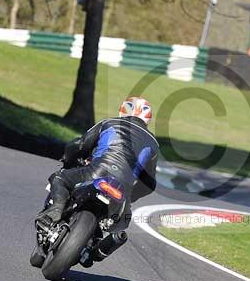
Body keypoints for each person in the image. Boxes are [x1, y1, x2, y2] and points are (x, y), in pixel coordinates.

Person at [34, 97, 159, 260]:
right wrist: (130, 196)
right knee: (120, 223)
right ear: (148, 119)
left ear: (122, 111)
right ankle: (97, 249)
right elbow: (149, 183)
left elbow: (80, 145)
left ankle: (56, 210)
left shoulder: (108, 123)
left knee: (59, 178)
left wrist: (68, 159)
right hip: (123, 188)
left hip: (96, 171)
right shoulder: (154, 143)